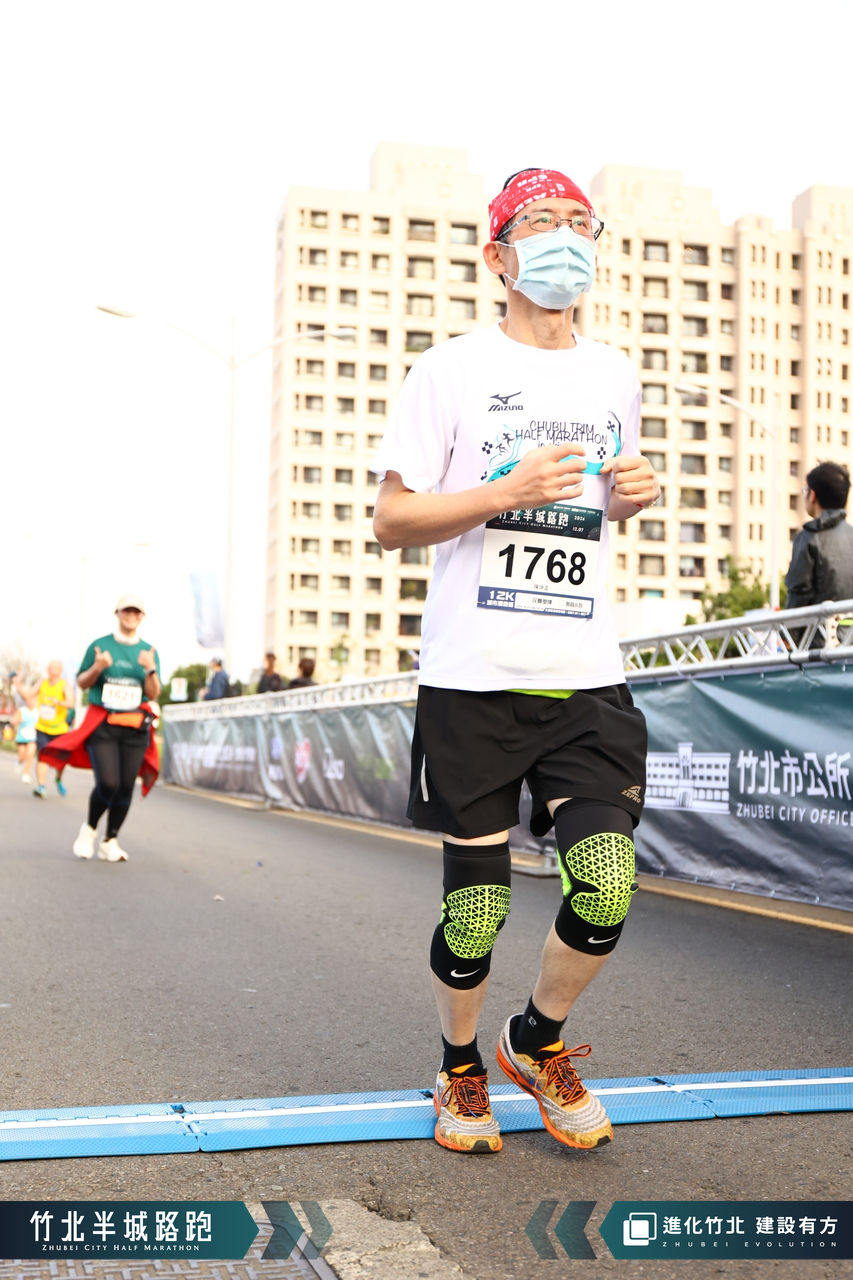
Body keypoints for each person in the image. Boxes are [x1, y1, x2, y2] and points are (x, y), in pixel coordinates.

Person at [372, 167, 659, 1156]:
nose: (564, 237)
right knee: (478, 904)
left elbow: (599, 507)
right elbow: (391, 520)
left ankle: (535, 1038)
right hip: (474, 677)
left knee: (606, 880)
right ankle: (459, 1065)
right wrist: (501, 492)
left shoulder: (614, 374)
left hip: (583, 670)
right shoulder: (447, 370)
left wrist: (631, 496)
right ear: (498, 253)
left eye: (579, 221)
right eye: (541, 221)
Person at [40, 595, 161, 862]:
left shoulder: (148, 651)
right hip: (103, 725)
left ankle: (110, 841)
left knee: (125, 786)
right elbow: (82, 683)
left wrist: (150, 669)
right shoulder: (100, 646)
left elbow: (153, 693)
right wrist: (98, 666)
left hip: (135, 728)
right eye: (126, 611)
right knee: (108, 783)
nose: (131, 616)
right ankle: (90, 828)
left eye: (136, 612)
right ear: (117, 613)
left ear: (142, 617)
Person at [785, 462, 853, 610]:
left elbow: (798, 596)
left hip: (822, 624)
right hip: (849, 623)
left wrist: (786, 625)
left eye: (805, 490)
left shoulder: (809, 538)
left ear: (813, 496)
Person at [32, 659, 75, 798]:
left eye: (55, 667)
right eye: (50, 667)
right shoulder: (42, 682)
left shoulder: (64, 685)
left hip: (59, 729)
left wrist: (59, 702)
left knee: (60, 760)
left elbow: (71, 703)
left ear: (60, 670)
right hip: (42, 727)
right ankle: (41, 786)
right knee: (42, 756)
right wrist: (18, 683)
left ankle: (58, 779)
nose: (52, 670)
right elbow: (29, 694)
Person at [12, 677, 38, 784]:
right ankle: (19, 762)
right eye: (28, 700)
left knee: (30, 754)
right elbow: (13, 721)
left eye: (32, 700)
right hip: (22, 735)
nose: (30, 702)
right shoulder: (22, 710)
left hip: (33, 736)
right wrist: (18, 720)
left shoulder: (38, 711)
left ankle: (26, 774)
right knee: (22, 754)